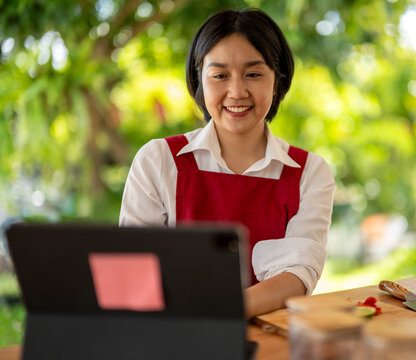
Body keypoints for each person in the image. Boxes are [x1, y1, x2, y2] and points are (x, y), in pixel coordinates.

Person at [119, 8, 335, 319]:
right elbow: (133, 268)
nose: (236, 92)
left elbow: (298, 275)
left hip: (270, 342)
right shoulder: (158, 161)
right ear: (199, 80)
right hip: (173, 335)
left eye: (254, 74)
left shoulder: (310, 173)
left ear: (278, 80)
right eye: (220, 75)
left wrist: (215, 311)